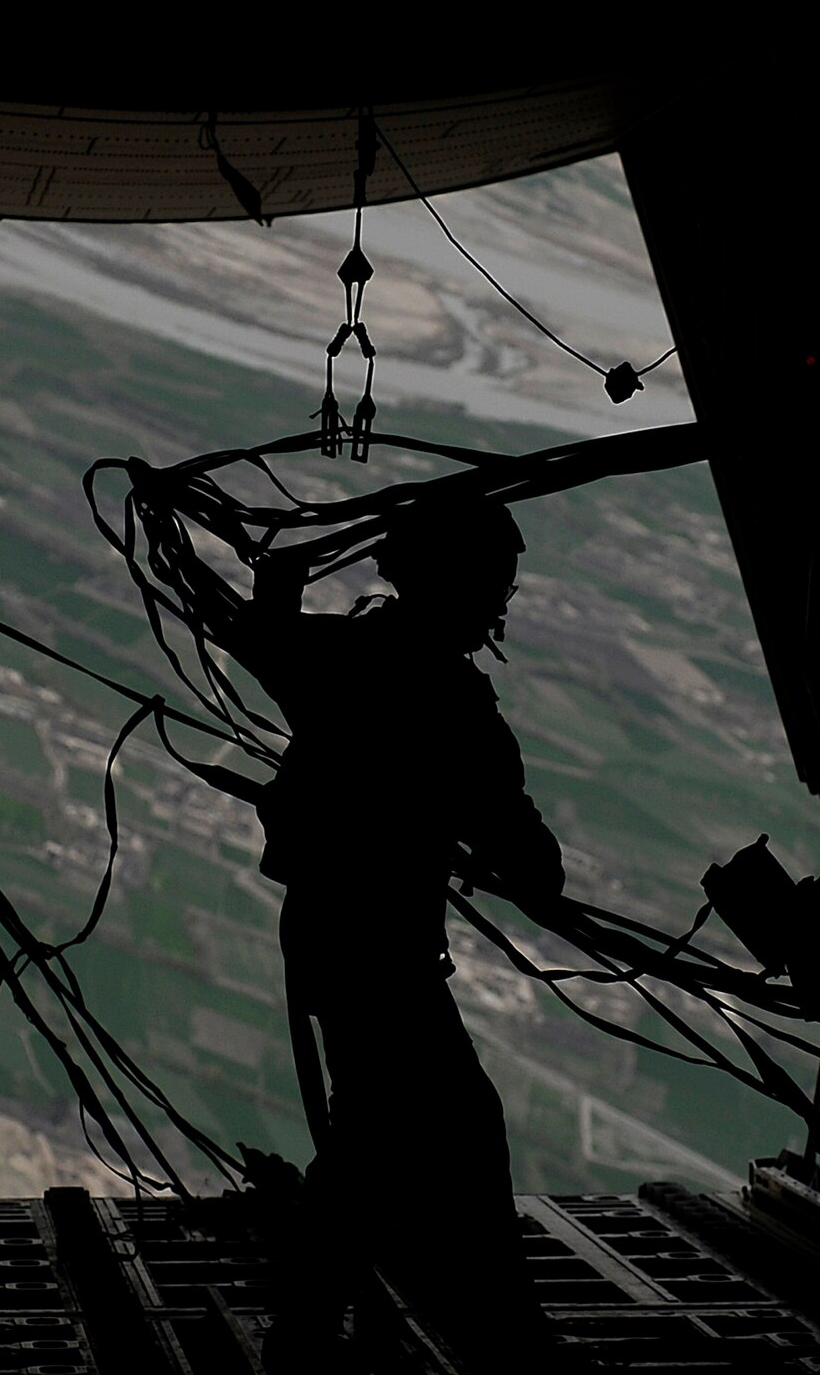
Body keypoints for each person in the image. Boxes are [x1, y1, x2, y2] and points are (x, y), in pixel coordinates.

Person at [216, 498, 573, 1372]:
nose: (501, 602)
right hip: (383, 952)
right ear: (469, 590)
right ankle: (508, 1345)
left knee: (373, 1138)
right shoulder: (455, 708)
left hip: (328, 935)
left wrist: (274, 591)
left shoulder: (345, 657)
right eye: (495, 585)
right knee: (447, 1129)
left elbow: (264, 645)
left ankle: (312, 1329)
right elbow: (532, 865)